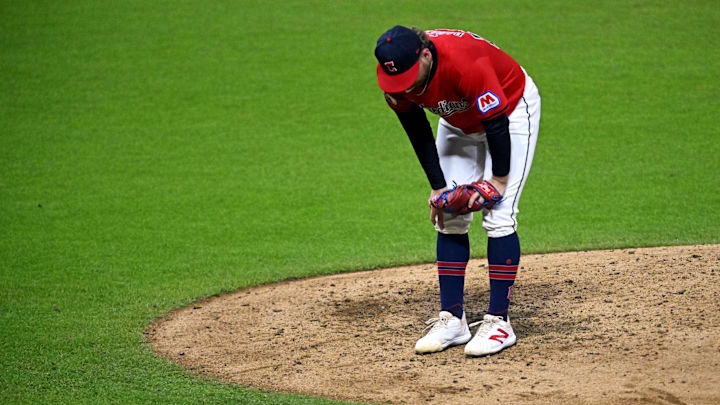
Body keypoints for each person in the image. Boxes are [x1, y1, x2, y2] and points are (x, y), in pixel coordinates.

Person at [374, 26, 541, 356]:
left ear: (425, 54)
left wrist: (498, 182)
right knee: (448, 212)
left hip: (509, 110)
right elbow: (416, 128)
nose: (405, 86)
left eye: (410, 76)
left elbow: (495, 124)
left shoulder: (467, 64)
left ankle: (499, 322)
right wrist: (438, 187)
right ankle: (453, 319)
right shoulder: (394, 74)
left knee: (499, 214)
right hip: (457, 120)